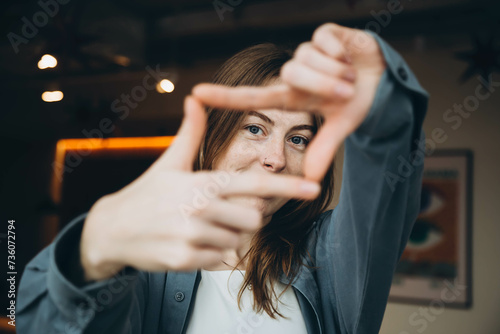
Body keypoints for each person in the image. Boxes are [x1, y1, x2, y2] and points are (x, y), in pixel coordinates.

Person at [16, 23, 429, 333]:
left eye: (298, 138)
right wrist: (94, 248)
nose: (275, 158)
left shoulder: (329, 258)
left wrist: (382, 104)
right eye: (254, 128)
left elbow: (384, 182)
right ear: (212, 136)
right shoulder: (141, 261)